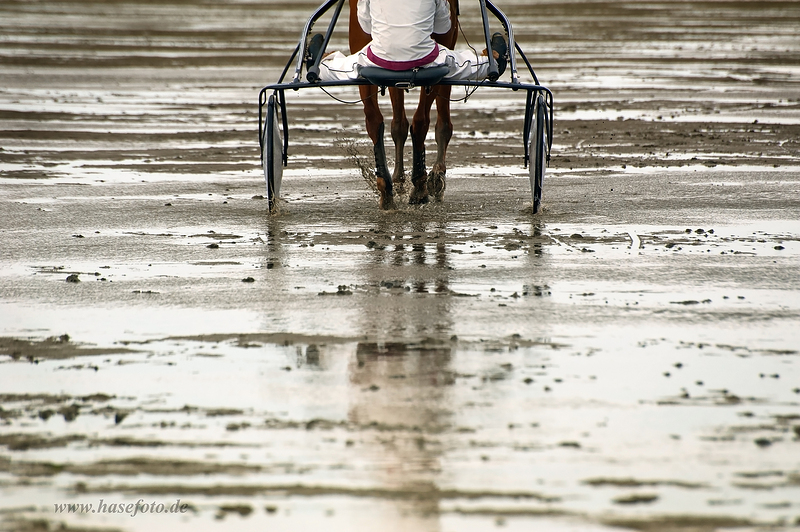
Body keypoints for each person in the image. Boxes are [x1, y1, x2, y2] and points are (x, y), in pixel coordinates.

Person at [313, 0, 506, 82]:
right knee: (466, 63)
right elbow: (443, 28)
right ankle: (494, 62)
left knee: (337, 68)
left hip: (378, 59)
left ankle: (318, 64)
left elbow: (367, 28)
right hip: (426, 60)